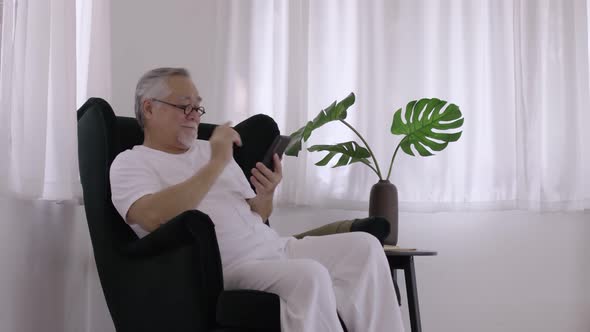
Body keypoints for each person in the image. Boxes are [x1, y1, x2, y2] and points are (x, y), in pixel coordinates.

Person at [110, 67, 405, 332]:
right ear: (149, 108)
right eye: (184, 106)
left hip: (275, 247)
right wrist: (216, 163)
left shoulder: (209, 148)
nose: (194, 115)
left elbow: (257, 213)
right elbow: (150, 217)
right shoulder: (131, 163)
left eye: (197, 107)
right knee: (309, 276)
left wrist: (266, 194)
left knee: (364, 247)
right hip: (226, 267)